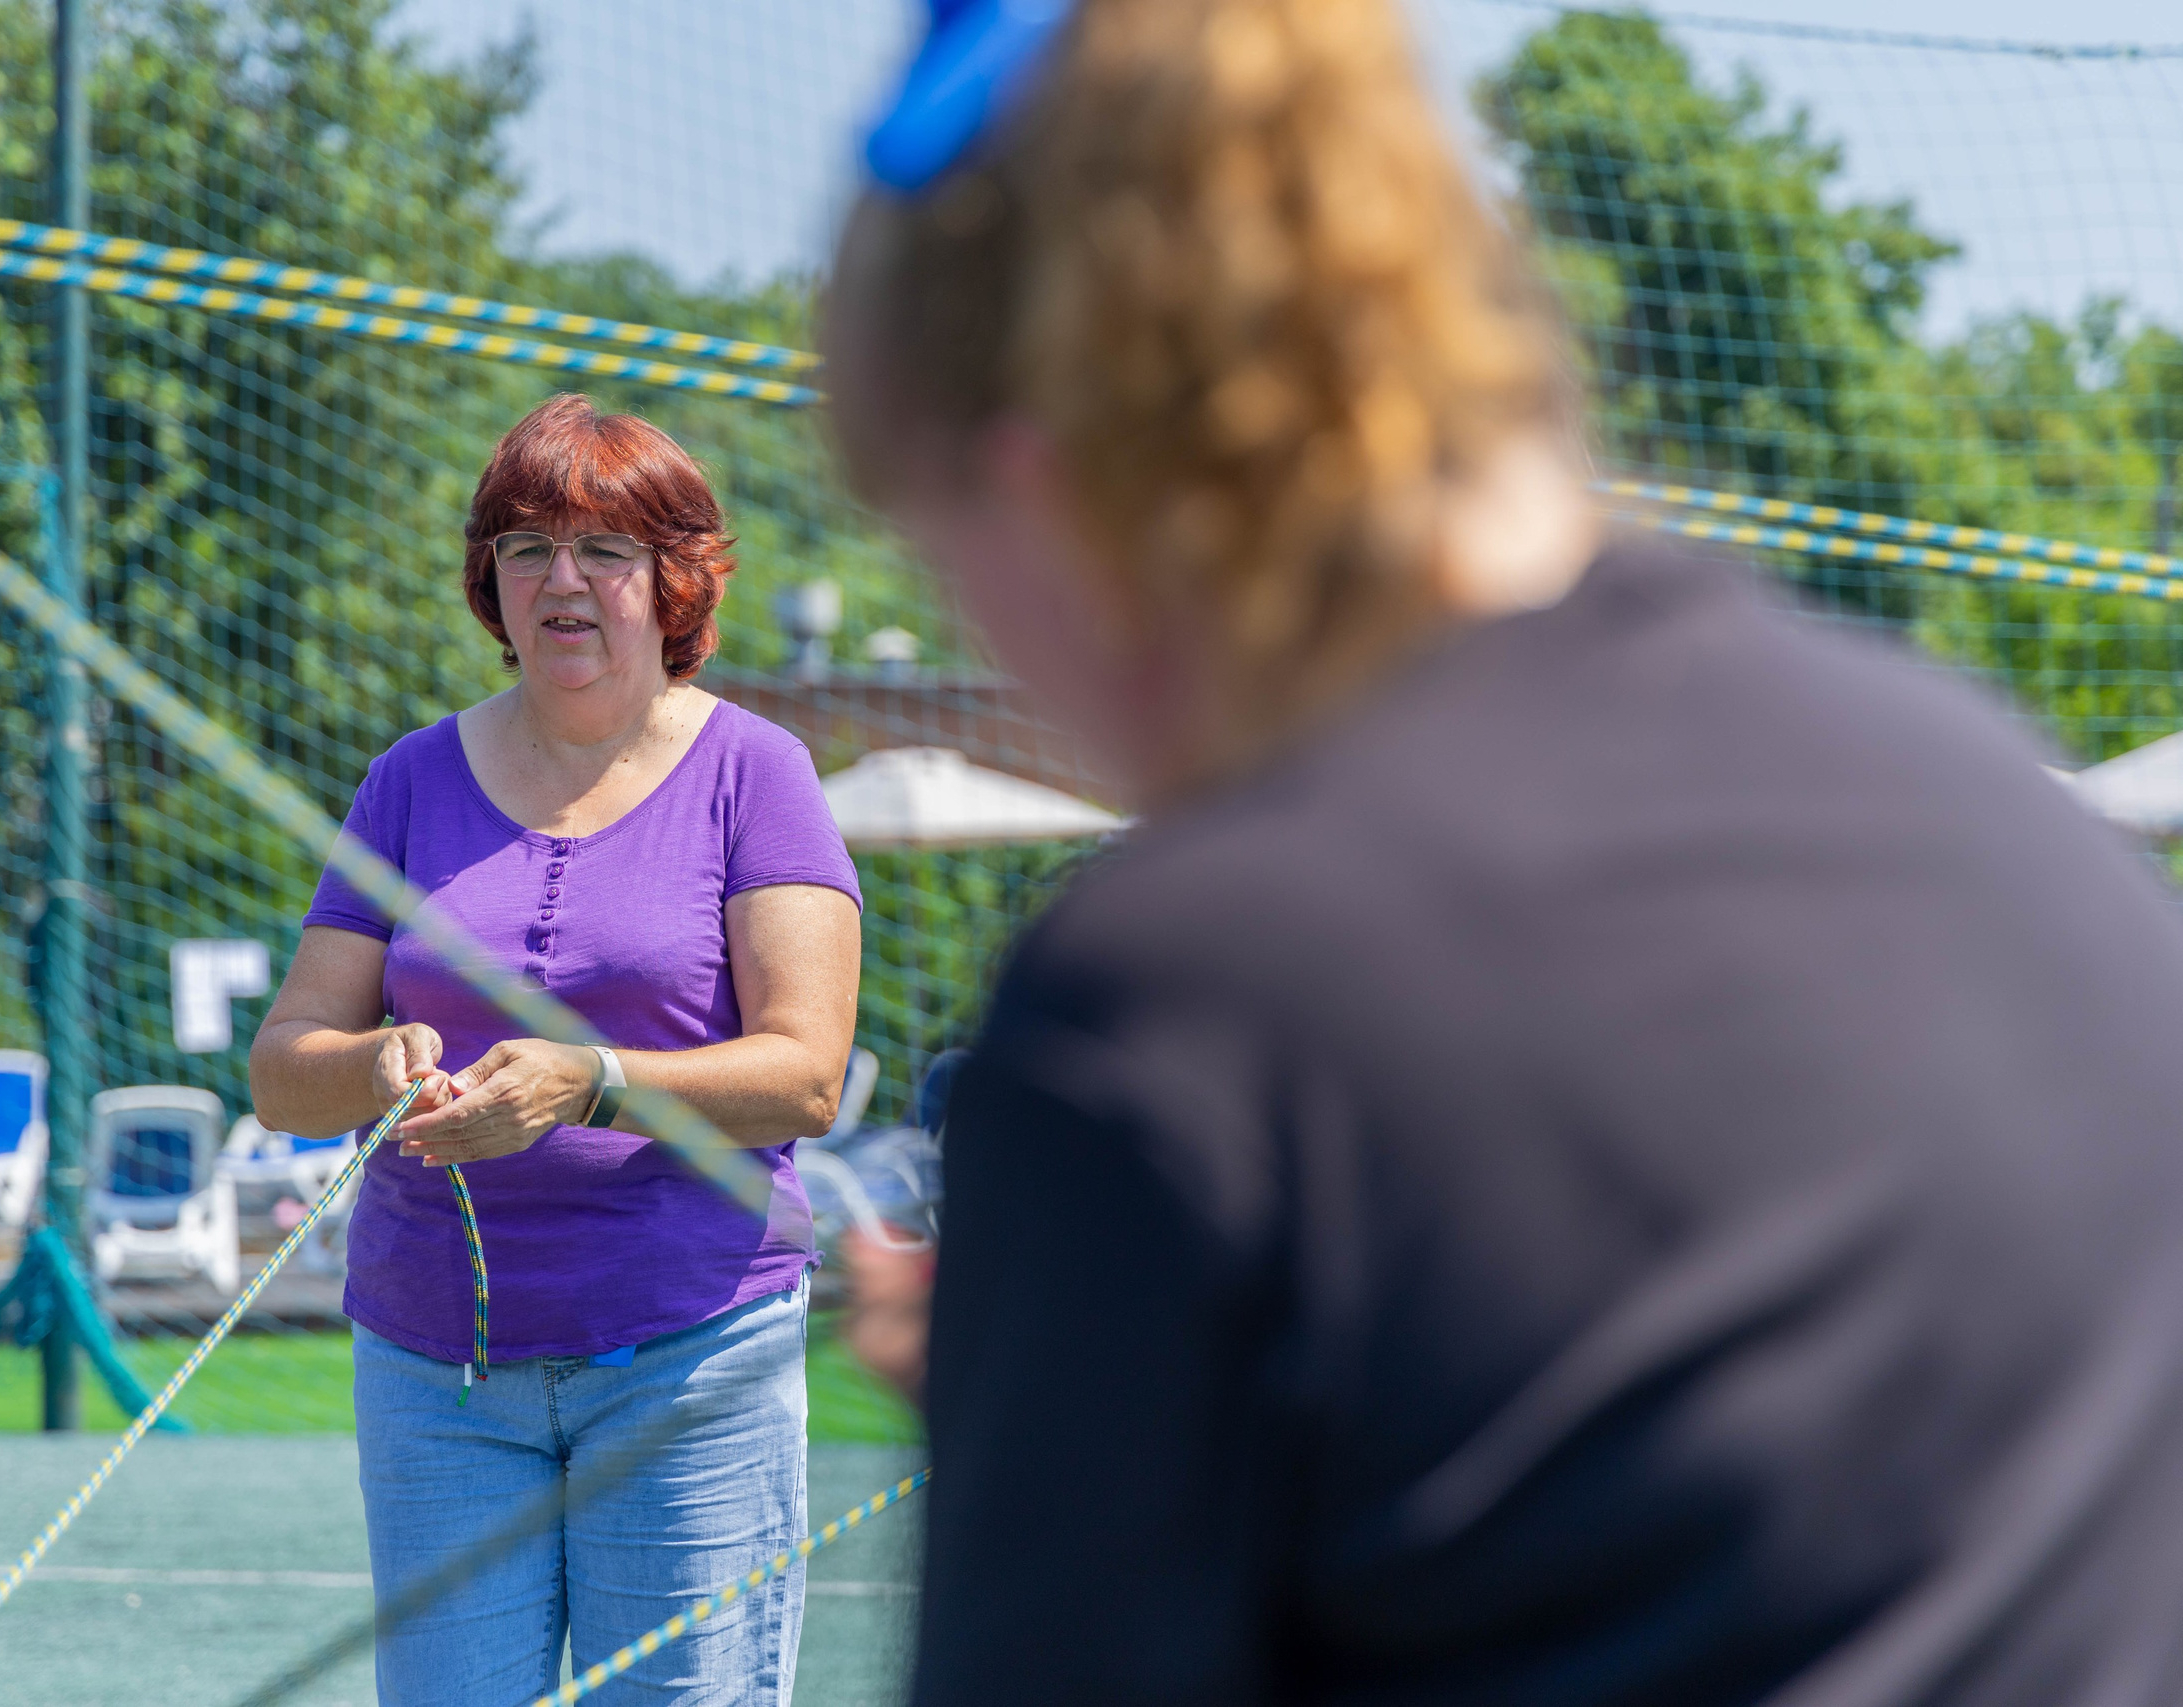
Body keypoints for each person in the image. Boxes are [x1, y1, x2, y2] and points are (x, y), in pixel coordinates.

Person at [826, 1, 2183, 1703]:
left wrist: (1094, 1387)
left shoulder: (1185, 1010)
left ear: (1050, 497)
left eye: (949, 569)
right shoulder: (2015, 825)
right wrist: (1115, 1382)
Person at [250, 393, 862, 1707]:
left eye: (605, 551)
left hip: (694, 1358)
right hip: (436, 1372)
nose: (561, 582)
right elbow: (282, 1066)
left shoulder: (760, 775)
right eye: (525, 549)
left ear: (676, 582)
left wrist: (599, 1082)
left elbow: (805, 1073)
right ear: (490, 584)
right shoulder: (406, 781)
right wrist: (371, 1065)